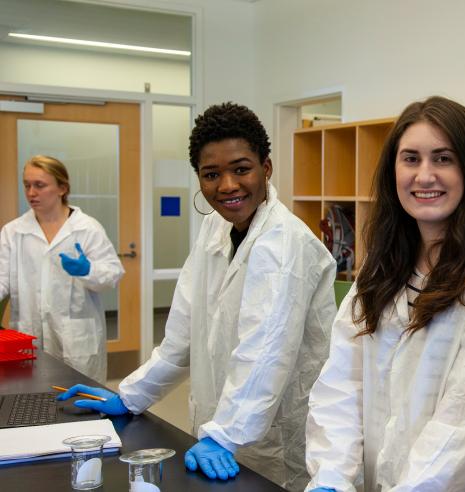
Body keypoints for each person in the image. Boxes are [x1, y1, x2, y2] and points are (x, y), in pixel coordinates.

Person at [58, 102, 338, 490]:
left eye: (241, 169)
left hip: (272, 433)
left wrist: (224, 434)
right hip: (221, 430)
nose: (226, 185)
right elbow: (182, 337)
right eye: (211, 174)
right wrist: (131, 395)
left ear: (266, 168)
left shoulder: (286, 244)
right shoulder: (214, 230)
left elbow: (266, 351)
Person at [305, 96, 465, 492]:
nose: (424, 175)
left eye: (443, 159)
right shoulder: (383, 260)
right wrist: (331, 476)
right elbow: (344, 381)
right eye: (411, 159)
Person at [0, 155, 123, 382]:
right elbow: (2, 279)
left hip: (76, 339)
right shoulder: (13, 232)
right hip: (28, 334)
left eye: (40, 185)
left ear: (62, 188)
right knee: (30, 400)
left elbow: (113, 275)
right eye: (27, 185)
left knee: (79, 404)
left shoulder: (87, 229)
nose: (31, 193)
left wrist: (87, 270)